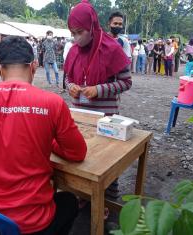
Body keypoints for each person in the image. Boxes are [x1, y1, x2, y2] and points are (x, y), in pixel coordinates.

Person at [0, 36, 87, 235]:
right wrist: (50, 141)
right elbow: (77, 152)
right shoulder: (52, 103)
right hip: (31, 226)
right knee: (69, 202)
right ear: (34, 66)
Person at [64, 0, 131, 203]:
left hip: (106, 116)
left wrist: (99, 89)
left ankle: (106, 200)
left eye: (79, 32)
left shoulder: (112, 49)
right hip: (81, 115)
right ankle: (85, 196)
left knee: (107, 161)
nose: (75, 38)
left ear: (92, 27)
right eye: (72, 33)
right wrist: (71, 87)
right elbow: (68, 78)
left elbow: (126, 82)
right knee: (84, 158)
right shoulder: (74, 50)